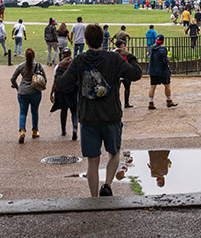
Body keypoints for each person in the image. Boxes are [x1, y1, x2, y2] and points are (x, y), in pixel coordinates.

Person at [57, 23, 142, 197]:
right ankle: (108, 184)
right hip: (111, 114)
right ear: (103, 39)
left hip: (89, 115)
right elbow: (136, 74)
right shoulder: (114, 59)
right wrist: (130, 56)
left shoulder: (79, 61)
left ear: (86, 41)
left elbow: (62, 84)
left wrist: (61, 67)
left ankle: (94, 197)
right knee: (114, 152)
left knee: (93, 161)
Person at [11, 48, 46, 143]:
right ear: (34, 56)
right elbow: (45, 79)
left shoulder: (21, 66)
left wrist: (17, 87)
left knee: (23, 112)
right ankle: (35, 131)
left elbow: (12, 78)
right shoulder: (39, 66)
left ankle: (22, 130)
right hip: (35, 91)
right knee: (34, 112)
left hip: (23, 92)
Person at [51, 48, 78, 139]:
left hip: (62, 92)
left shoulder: (58, 67)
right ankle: (75, 129)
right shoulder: (75, 65)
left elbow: (55, 82)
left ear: (62, 55)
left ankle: (63, 130)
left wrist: (51, 93)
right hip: (73, 91)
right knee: (74, 112)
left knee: (64, 110)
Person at [148, 35, 178, 109]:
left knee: (152, 86)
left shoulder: (152, 48)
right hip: (162, 71)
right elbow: (165, 61)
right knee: (167, 85)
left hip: (153, 70)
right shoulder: (162, 50)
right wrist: (168, 58)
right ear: (163, 41)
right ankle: (169, 101)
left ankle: (150, 102)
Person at [114, 41, 135, 109]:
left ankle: (119, 103)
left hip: (119, 73)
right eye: (123, 45)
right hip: (124, 72)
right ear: (121, 46)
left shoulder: (114, 52)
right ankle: (126, 103)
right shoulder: (123, 53)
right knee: (126, 88)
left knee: (118, 89)